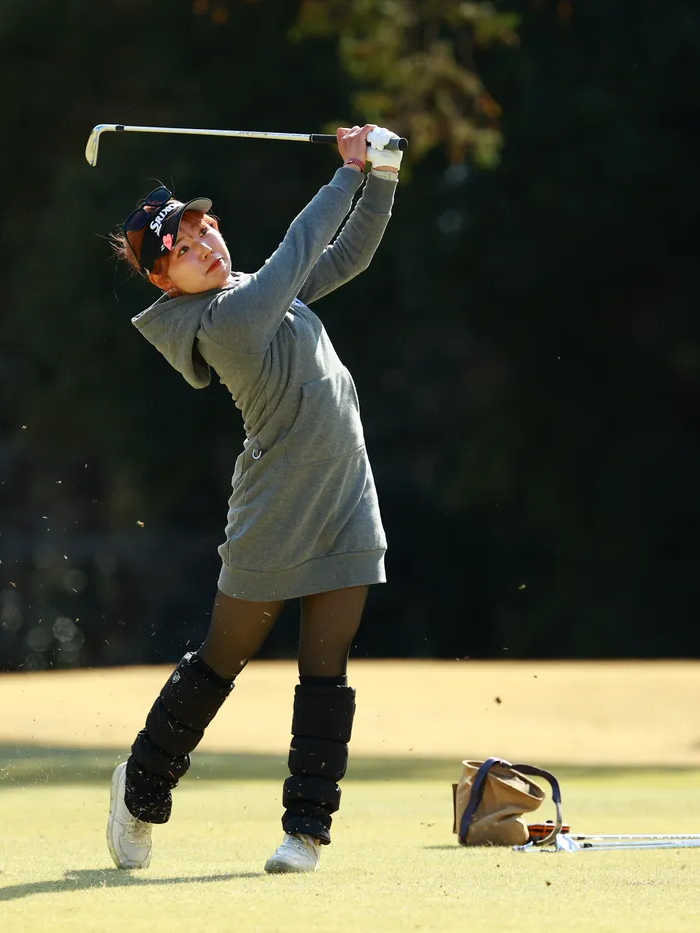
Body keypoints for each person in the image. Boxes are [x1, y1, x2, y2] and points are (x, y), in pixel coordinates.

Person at [105, 124, 402, 874]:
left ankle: (306, 833)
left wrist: (384, 175)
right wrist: (347, 173)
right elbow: (301, 249)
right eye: (182, 249)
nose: (204, 246)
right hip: (276, 504)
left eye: (203, 231)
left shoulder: (249, 291)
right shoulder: (224, 322)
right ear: (165, 283)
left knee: (326, 669)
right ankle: (139, 790)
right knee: (222, 660)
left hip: (346, 490)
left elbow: (346, 256)